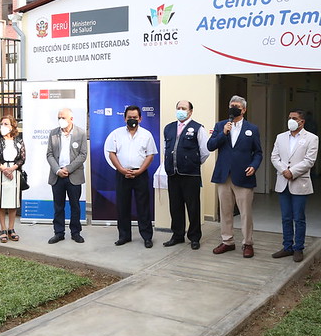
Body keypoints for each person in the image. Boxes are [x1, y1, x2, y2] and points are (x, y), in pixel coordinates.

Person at [207, 95, 263, 258]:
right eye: (231, 105)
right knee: (225, 211)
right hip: (224, 175)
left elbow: (258, 152)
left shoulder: (252, 129)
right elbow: (210, 146)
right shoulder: (220, 125)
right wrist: (223, 133)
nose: (233, 108)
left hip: (243, 176)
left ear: (244, 109)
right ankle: (227, 241)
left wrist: (254, 165)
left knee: (245, 212)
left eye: (237, 106)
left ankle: (248, 243)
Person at [105, 105, 157, 248]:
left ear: (140, 118)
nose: (132, 120)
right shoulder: (116, 134)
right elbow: (111, 153)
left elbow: (150, 155)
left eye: (135, 117)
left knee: (143, 207)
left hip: (140, 175)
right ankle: (124, 236)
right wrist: (121, 169)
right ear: (124, 118)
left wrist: (140, 170)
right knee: (122, 206)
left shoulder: (146, 134)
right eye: (129, 118)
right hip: (122, 175)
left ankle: (147, 237)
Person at [270, 109, 319, 262]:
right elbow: (274, 157)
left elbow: (309, 161)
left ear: (302, 122)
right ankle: (287, 246)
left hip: (299, 182)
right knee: (286, 217)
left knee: (299, 218)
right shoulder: (280, 137)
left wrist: (293, 172)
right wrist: (284, 170)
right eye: (289, 117)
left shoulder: (311, 138)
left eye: (294, 118)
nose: (290, 120)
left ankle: (298, 248)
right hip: (283, 182)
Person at [162, 100, 210, 250]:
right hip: (173, 173)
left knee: (193, 206)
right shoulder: (168, 128)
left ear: (190, 112)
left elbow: (205, 151)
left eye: (183, 108)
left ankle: (194, 237)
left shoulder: (198, 128)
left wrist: (193, 163)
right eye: (178, 108)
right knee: (175, 206)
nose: (180, 111)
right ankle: (177, 235)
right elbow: (166, 149)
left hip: (190, 175)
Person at [46, 108, 88, 244]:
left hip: (73, 175)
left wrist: (68, 169)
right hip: (57, 176)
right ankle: (59, 233)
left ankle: (75, 232)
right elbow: (49, 154)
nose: (61, 120)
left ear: (71, 119)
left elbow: (83, 155)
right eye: (59, 117)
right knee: (58, 206)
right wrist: (58, 170)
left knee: (75, 206)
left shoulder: (80, 133)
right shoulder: (53, 133)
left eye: (63, 117)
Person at [0, 115, 25, 242]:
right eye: (1, 124)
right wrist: (4, 169)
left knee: (12, 203)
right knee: (0, 202)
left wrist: (12, 169)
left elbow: (22, 158)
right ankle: (3, 229)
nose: (3, 126)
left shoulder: (18, 140)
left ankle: (11, 229)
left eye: (6, 124)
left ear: (13, 126)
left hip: (14, 172)